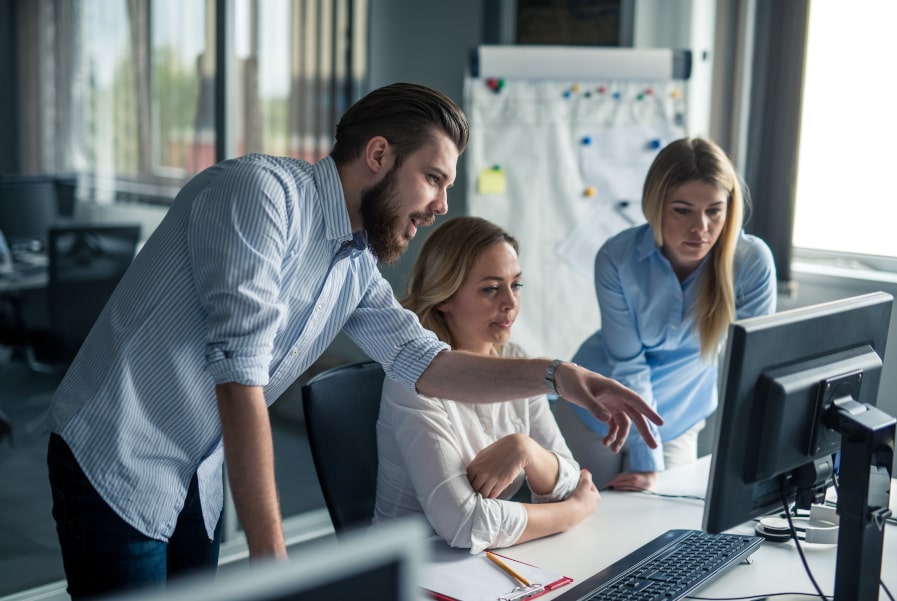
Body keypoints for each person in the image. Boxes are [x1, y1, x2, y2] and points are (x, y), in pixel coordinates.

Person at [44, 82, 662, 600]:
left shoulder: (352, 262)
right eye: (432, 178)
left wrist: (559, 375)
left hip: (195, 470)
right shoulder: (260, 197)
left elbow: (429, 364)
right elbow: (240, 380)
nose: (441, 205)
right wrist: (274, 562)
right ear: (377, 154)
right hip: (119, 454)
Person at [553, 136, 776, 492]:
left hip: (679, 418)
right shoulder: (617, 257)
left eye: (714, 210)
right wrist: (646, 461)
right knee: (583, 519)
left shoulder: (750, 262)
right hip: (596, 411)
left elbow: (749, 370)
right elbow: (629, 365)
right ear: (656, 206)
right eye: (682, 210)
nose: (700, 228)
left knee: (670, 526)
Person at [374, 216, 601, 553]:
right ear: (444, 297)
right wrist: (572, 513)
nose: (510, 302)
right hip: (412, 570)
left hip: (484, 563)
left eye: (516, 285)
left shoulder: (515, 359)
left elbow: (568, 478)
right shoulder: (411, 380)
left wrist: (525, 450)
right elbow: (465, 524)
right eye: (491, 288)